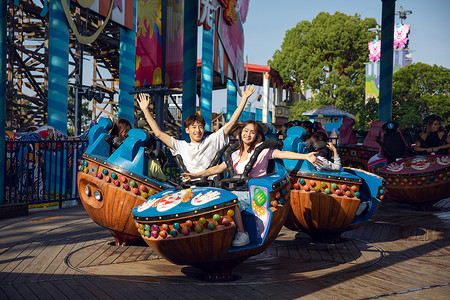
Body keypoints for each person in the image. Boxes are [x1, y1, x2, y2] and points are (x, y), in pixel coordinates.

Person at [181, 120, 317, 247]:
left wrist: (305, 156)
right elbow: (218, 168)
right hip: (237, 191)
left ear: (257, 136)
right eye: (246, 131)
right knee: (216, 197)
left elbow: (282, 154)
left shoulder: (263, 150)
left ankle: (242, 233)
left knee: (229, 198)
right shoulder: (235, 154)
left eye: (252, 132)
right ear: (241, 133)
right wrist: (195, 175)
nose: (248, 134)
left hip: (253, 194)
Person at [137, 85, 256, 177]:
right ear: (187, 130)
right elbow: (158, 133)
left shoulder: (212, 140)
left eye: (200, 127)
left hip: (209, 187)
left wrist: (244, 99)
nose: (198, 130)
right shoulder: (181, 145)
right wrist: (145, 110)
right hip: (189, 186)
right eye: (194, 127)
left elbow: (231, 123)